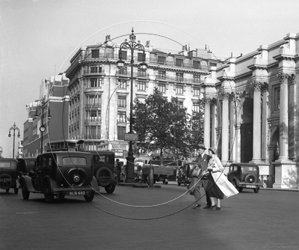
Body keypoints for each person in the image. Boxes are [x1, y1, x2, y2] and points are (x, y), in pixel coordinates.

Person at [197, 144, 212, 209]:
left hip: (207, 176)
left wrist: (207, 171)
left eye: (200, 149)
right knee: (197, 188)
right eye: (198, 149)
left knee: (207, 190)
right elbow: (198, 165)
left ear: (203, 150)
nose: (199, 151)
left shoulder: (207, 157)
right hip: (200, 176)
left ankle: (209, 203)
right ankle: (198, 203)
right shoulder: (199, 157)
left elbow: (211, 165)